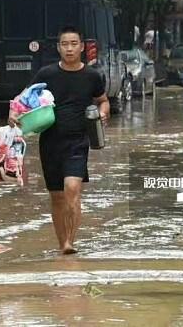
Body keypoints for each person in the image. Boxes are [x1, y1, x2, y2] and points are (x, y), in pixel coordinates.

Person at [15, 25, 109, 254]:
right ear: (58, 48)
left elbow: (103, 100)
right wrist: (15, 114)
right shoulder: (46, 75)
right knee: (57, 196)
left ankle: (70, 242)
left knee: (72, 188)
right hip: (50, 141)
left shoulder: (92, 76)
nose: (69, 49)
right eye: (65, 44)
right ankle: (62, 243)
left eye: (74, 44)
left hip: (78, 140)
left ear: (82, 47)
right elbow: (24, 100)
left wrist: (103, 113)